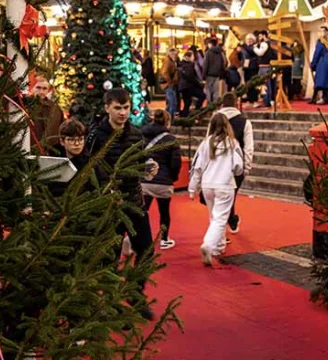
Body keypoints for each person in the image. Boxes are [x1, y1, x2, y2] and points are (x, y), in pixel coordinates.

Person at [85, 88, 158, 319]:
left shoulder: (136, 134)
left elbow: (140, 161)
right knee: (110, 256)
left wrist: (149, 166)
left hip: (134, 201)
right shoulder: (96, 135)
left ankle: (135, 293)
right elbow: (88, 168)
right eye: (118, 107)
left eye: (126, 107)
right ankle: (110, 301)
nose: (123, 112)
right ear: (107, 108)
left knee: (146, 249)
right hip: (109, 205)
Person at [188, 113, 244, 265]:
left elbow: (197, 166)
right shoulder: (233, 143)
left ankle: (219, 246)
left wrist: (192, 188)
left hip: (207, 184)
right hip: (225, 184)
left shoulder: (205, 143)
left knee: (214, 216)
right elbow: (239, 167)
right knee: (220, 218)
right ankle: (209, 244)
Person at [141, 109, 182, 250]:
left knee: (142, 211)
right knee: (164, 212)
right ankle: (164, 239)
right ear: (167, 121)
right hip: (163, 181)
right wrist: (173, 177)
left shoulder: (143, 136)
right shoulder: (171, 140)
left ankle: (136, 238)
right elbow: (175, 162)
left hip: (144, 180)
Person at [217, 92, 254, 234]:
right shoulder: (244, 122)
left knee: (225, 196)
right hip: (236, 164)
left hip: (218, 162)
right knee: (230, 194)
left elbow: (209, 141)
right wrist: (247, 166)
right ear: (236, 103)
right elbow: (248, 147)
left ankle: (229, 221)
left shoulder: (216, 119)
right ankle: (228, 223)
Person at [48, 119, 91, 197]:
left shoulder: (91, 163)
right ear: (62, 141)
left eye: (80, 139)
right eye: (71, 140)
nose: (77, 143)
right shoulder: (53, 163)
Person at [30, 75, 64, 151]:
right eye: (38, 88)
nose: (41, 91)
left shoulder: (55, 108)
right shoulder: (26, 106)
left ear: (48, 90)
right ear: (32, 88)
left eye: (44, 88)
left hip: (51, 150)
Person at [179, 50, 206, 116]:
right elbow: (190, 77)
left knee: (187, 103)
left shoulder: (182, 63)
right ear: (189, 57)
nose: (194, 58)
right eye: (193, 56)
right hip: (189, 86)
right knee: (202, 95)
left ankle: (184, 116)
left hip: (183, 87)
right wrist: (199, 84)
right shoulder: (189, 65)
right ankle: (196, 109)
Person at [310, 26, 328, 105]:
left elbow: (317, 54)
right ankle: (325, 98)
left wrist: (313, 64)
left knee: (319, 81)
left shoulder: (321, 42)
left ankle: (315, 98)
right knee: (325, 81)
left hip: (322, 62)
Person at [254, 30, 276, 108]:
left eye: (260, 36)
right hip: (266, 66)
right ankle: (267, 101)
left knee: (265, 85)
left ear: (264, 36)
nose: (259, 38)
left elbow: (260, 53)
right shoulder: (269, 44)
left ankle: (266, 101)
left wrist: (255, 48)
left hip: (264, 67)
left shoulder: (264, 44)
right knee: (265, 85)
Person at [202, 37, 227, 104]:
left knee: (208, 90)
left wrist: (203, 75)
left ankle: (209, 103)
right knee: (216, 90)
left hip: (209, 74)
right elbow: (224, 63)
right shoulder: (220, 52)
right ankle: (215, 104)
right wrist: (221, 74)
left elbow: (205, 64)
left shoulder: (208, 52)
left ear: (210, 44)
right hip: (217, 74)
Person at [160, 47, 179, 117]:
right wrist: (170, 82)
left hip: (169, 84)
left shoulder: (170, 61)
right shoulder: (168, 62)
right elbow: (165, 73)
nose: (176, 56)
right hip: (168, 85)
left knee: (171, 103)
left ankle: (164, 116)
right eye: (175, 54)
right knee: (173, 102)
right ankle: (169, 117)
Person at [242, 34, 259, 105]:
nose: (249, 41)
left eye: (250, 40)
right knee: (247, 84)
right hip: (246, 67)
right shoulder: (245, 48)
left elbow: (251, 51)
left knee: (253, 84)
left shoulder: (255, 47)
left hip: (253, 67)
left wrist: (243, 45)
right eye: (248, 40)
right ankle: (249, 99)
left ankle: (254, 100)